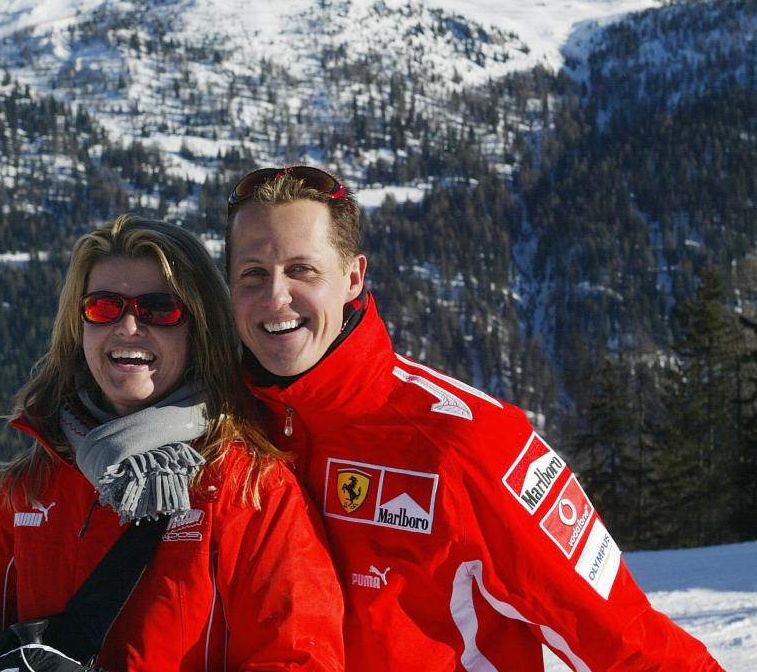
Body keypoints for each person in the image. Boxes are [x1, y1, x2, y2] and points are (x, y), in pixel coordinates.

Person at [225, 165, 725, 671]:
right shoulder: (222, 428)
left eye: (301, 270)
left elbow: (628, 642)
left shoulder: (468, 440)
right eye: (252, 274)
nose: (275, 297)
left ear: (353, 277)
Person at [0, 214, 345, 672]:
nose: (128, 327)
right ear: (78, 326)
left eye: (161, 310)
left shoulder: (248, 490)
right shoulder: (32, 483)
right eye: (104, 307)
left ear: (201, 330)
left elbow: (299, 661)